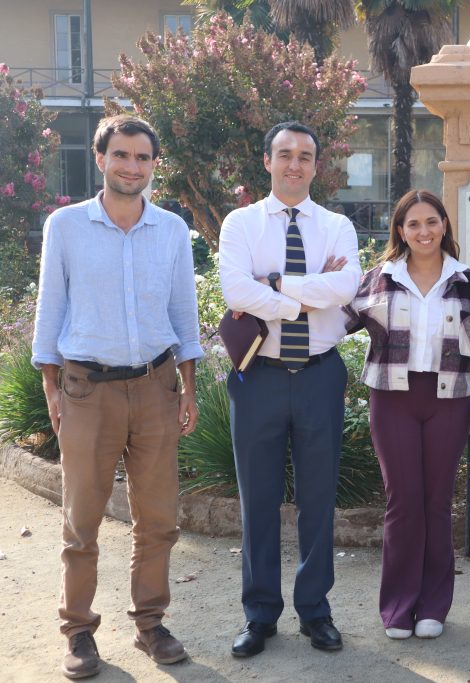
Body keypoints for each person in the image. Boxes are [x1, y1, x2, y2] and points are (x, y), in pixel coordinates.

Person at [31, 114, 202, 679]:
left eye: (143, 157)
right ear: (101, 158)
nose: (132, 166)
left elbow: (184, 313)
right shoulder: (66, 226)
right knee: (82, 521)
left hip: (156, 387)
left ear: (154, 164)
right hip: (86, 391)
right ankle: (78, 631)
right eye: (122, 155)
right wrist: (52, 388)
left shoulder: (171, 230)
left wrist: (188, 388)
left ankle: (150, 624)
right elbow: (51, 309)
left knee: (158, 519)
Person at [218, 121, 361, 658]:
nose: (294, 164)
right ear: (268, 161)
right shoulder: (241, 223)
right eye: (285, 154)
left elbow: (346, 286)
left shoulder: (337, 226)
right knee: (258, 499)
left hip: (321, 374)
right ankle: (259, 614)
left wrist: (273, 286)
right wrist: (305, 295)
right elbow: (235, 289)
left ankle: (315, 611)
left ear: (316, 166)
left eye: (305, 156)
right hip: (259, 377)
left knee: (317, 499)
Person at [342, 190, 470, 640]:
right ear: (400, 231)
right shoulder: (378, 279)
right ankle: (398, 606)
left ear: (444, 225)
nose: (423, 231)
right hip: (393, 399)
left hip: (448, 400)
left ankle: (432, 607)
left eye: (431, 222)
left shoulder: (468, 281)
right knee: (403, 502)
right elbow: (334, 322)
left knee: (437, 501)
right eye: (413, 224)